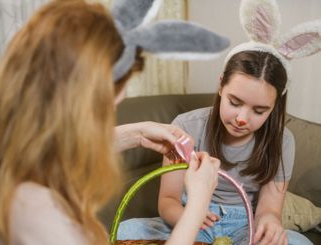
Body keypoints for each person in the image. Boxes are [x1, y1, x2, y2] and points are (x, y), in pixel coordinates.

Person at [0, 0, 228, 244]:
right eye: (108, 108)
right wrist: (197, 203)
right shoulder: (35, 212)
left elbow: (38, 147)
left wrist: (136, 134)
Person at [117, 0, 321, 244]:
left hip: (245, 223)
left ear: (275, 106)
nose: (242, 119)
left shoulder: (282, 140)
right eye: (235, 102)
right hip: (189, 214)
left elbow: (269, 209)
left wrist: (270, 222)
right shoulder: (185, 126)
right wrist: (190, 216)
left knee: (300, 242)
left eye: (259, 110)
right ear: (221, 84)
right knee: (126, 231)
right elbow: (168, 201)